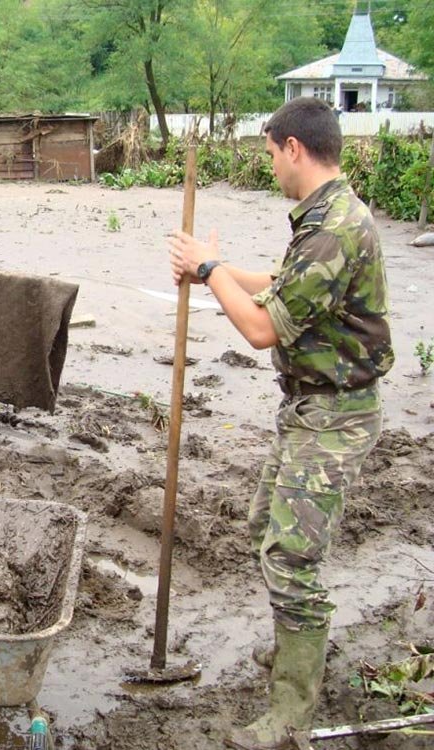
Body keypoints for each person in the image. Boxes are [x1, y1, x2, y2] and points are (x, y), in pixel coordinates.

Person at [167, 97, 394, 749]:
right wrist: (209, 267)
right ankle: (296, 650)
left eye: (270, 153)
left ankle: (292, 709)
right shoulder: (324, 219)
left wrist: (209, 273)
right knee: (264, 526)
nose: (269, 166)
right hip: (308, 406)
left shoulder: (334, 228)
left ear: (294, 147)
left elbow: (263, 327)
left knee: (290, 558)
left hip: (334, 413)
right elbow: (279, 283)